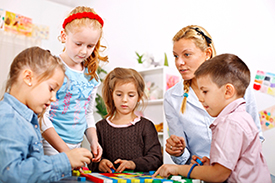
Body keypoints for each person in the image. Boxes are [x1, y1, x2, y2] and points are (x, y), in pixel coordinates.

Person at [153, 53, 271, 183]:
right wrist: (211, 166)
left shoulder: (229, 123)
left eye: (205, 91)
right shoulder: (242, 117)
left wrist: (178, 169)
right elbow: (237, 164)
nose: (200, 98)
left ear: (228, 91)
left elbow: (218, 175)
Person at [164, 25, 264, 165]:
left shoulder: (237, 84)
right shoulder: (172, 97)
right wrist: (178, 152)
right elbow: (183, 158)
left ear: (207, 53)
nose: (179, 62)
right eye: (175, 56)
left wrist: (224, 168)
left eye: (186, 54)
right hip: (200, 174)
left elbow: (256, 138)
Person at [0, 47, 93, 183]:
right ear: (28, 77)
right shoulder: (9, 118)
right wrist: (65, 160)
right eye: (51, 89)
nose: (54, 98)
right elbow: (11, 174)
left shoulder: (27, 119)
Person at [41, 6, 108, 161]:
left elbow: (87, 113)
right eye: (78, 44)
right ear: (64, 36)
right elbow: (42, 115)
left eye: (90, 46)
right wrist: (65, 151)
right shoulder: (52, 67)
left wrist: (94, 141)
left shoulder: (91, 75)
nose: (84, 51)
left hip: (76, 145)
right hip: (50, 144)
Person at [88, 67, 163, 173]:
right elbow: (91, 159)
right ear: (112, 94)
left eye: (131, 95)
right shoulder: (100, 127)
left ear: (139, 96)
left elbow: (156, 159)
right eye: (119, 94)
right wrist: (100, 164)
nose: (124, 100)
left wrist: (133, 164)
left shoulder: (146, 126)